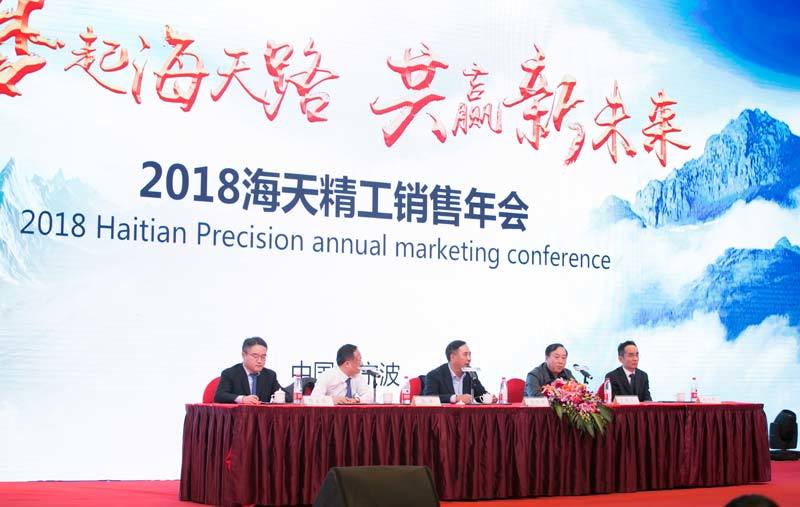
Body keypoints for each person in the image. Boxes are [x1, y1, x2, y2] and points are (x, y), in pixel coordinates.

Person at [214, 336, 284, 404]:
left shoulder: (270, 375)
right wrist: (242, 399)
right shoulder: (230, 373)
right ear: (244, 355)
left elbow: (284, 394)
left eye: (263, 357)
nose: (259, 361)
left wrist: (279, 399)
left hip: (262, 412)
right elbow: (219, 396)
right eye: (255, 356)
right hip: (239, 412)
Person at [423, 340, 495, 404]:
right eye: (465, 354)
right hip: (444, 414)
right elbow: (429, 399)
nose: (469, 359)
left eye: (469, 354)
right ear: (452, 357)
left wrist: (489, 398)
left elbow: (480, 394)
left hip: (465, 414)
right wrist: (456, 398)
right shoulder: (434, 375)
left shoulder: (470, 373)